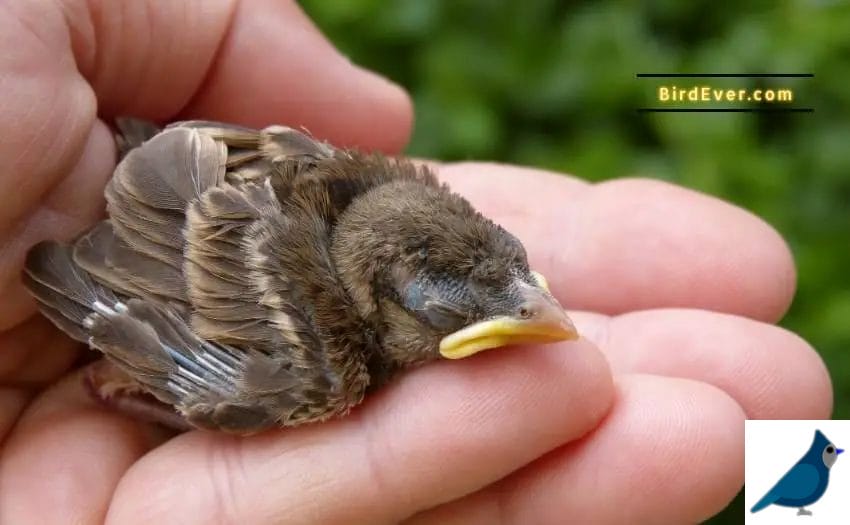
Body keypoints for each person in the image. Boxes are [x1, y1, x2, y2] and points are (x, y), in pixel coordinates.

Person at [0, 1, 831, 523]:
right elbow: (182, 352)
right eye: (443, 314)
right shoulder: (324, 360)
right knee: (266, 389)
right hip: (142, 233)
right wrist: (135, 363)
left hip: (180, 180)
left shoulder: (393, 193)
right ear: (383, 309)